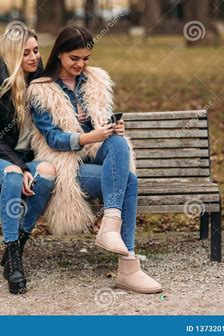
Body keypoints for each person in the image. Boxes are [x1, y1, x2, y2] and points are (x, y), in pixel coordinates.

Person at [28, 25, 162, 294]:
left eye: (86, 58)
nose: (81, 64)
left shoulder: (95, 81)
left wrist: (110, 130)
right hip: (64, 163)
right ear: (59, 55)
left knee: (117, 141)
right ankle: (128, 267)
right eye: (74, 58)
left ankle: (110, 226)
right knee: (129, 182)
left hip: (95, 156)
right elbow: (53, 138)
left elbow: (102, 125)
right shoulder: (40, 89)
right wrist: (92, 137)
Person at [0, 22, 56, 295]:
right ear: (13, 56)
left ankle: (20, 242)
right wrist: (17, 166)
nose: (34, 57)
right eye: (26, 53)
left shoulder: (41, 88)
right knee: (13, 174)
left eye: (36, 51)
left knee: (49, 171)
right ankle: (13, 256)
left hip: (19, 163)